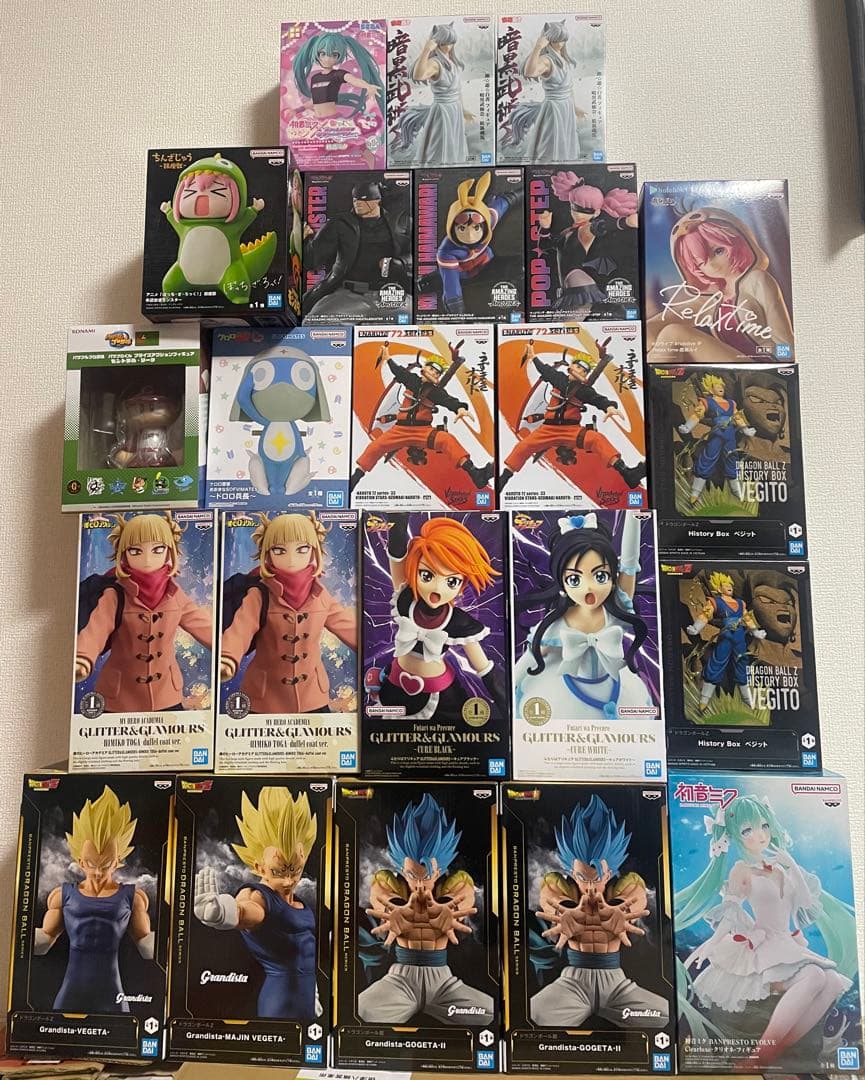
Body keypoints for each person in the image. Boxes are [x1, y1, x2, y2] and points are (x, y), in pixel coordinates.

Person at [676, 794, 856, 1069]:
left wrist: (792, 865)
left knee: (831, 981)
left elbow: (806, 905)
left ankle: (773, 1053)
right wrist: (712, 942)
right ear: (735, 836)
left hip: (788, 944)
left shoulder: (783, 868)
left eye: (764, 826)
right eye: (747, 830)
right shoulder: (742, 870)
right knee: (814, 976)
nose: (759, 835)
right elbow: (732, 909)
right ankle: (760, 1056)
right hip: (765, 948)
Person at [530, 795, 668, 1028]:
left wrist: (620, 911)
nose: (590, 886)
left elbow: (635, 894)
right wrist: (565, 913)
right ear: (571, 872)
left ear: (610, 872)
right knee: (534, 1015)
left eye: (598, 878)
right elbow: (550, 896)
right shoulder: (559, 885)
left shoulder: (625, 885)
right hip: (573, 983)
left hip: (617, 984)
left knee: (663, 1016)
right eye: (582, 877)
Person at [359, 793, 493, 1025]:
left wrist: (449, 911)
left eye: (428, 875)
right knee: (362, 1011)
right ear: (402, 868)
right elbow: (380, 896)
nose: (420, 884)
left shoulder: (456, 883)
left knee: (488, 1013)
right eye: (412, 875)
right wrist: (394, 912)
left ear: (440, 870)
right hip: (400, 980)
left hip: (443, 982)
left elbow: (464, 895)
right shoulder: (388, 883)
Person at [193, 788, 319, 1021]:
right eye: (278, 872)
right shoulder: (258, 896)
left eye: (295, 870)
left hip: (308, 1001)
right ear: (259, 867)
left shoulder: (297, 901)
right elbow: (246, 911)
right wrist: (221, 913)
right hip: (281, 1003)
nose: (289, 880)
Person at [366, 514, 505, 722]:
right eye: (427, 576)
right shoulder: (406, 600)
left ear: (462, 585)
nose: (437, 589)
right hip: (395, 685)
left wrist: (505, 706)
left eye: (451, 581)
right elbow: (397, 558)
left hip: (441, 696)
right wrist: (398, 520)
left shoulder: (458, 622)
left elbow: (484, 668)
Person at [514, 513, 652, 721]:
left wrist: (635, 513)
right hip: (562, 694)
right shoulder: (557, 624)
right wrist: (512, 682)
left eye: (600, 576)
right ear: (562, 583)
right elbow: (531, 656)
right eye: (574, 579)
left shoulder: (616, 611)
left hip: (618, 688)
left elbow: (629, 563)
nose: (589, 588)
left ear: (612, 578)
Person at [220, 512, 356, 713]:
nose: (292, 559)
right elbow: (241, 629)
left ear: (314, 551)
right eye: (279, 550)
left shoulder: (320, 594)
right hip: (265, 697)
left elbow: (346, 625)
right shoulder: (259, 593)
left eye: (302, 549)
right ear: (268, 553)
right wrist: (227, 658)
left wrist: (372, 647)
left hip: (312, 696)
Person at [75, 513, 212, 712]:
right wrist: (82, 658)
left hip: (166, 693)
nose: (147, 559)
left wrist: (227, 651)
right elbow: (96, 630)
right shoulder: (114, 594)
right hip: (120, 697)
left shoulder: (174, 594)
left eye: (158, 550)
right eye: (135, 551)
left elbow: (202, 624)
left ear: (169, 552)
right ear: (124, 554)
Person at [33, 787, 154, 1012]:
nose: (98, 871)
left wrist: (180, 945)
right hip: (72, 991)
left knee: (119, 1033)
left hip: (112, 992)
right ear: (80, 860)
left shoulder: (133, 897)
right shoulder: (61, 895)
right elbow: (44, 940)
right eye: (90, 863)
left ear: (117, 861)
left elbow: (146, 945)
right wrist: (18, 937)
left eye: (105, 864)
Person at [646, 207, 794, 361]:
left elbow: (786, 345)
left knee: (673, 333)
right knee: (668, 340)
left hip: (764, 364)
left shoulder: (758, 281)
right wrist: (648, 330)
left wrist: (779, 369)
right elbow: (674, 315)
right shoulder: (715, 297)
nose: (711, 264)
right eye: (701, 262)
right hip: (732, 368)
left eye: (718, 251)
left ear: (740, 241)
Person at [499, 342, 645, 492]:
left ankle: (627, 473)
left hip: (572, 430)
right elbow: (545, 370)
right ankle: (503, 478)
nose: (580, 371)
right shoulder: (558, 379)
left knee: (597, 439)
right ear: (571, 366)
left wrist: (609, 407)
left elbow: (598, 399)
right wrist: (533, 356)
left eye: (584, 370)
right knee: (523, 446)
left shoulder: (584, 391)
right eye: (578, 366)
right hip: (547, 429)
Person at [351, 343, 494, 493]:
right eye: (431, 369)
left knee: (447, 440)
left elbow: (449, 401)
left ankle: (476, 474)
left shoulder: (435, 392)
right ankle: (354, 479)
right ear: (424, 368)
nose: (434, 373)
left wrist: (460, 409)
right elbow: (399, 372)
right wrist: (387, 358)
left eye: (437, 373)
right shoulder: (411, 380)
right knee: (375, 447)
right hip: (400, 430)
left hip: (423, 431)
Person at [302, 179, 411, 319]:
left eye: (364, 199)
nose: (358, 203)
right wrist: (305, 240)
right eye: (355, 199)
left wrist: (401, 263)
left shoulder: (401, 223)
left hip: (391, 295)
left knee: (419, 321)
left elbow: (417, 256)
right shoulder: (340, 224)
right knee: (314, 322)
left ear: (377, 200)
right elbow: (311, 261)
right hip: (348, 295)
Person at [534, 171, 638, 317]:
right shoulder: (567, 231)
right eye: (574, 207)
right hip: (571, 287)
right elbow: (544, 246)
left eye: (585, 210)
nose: (578, 213)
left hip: (580, 288)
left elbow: (602, 226)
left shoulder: (586, 229)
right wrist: (545, 227)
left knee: (568, 325)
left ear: (596, 213)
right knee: (565, 325)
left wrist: (625, 222)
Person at [500, 21, 585, 162]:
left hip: (566, 107)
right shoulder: (546, 60)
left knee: (565, 143)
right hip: (554, 109)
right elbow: (529, 72)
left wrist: (575, 107)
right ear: (549, 40)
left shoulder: (563, 59)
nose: (561, 43)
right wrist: (538, 47)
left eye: (563, 40)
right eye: (557, 40)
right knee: (549, 145)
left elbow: (569, 89)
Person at [685, 571, 766, 713]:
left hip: (739, 640)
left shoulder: (740, 603)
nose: (729, 587)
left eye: (731, 585)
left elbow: (747, 619)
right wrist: (696, 628)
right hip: (725, 639)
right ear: (718, 587)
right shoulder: (715, 602)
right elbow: (705, 615)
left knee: (742, 665)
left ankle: (748, 700)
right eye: (725, 584)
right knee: (716, 665)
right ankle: (704, 700)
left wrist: (755, 631)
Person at [394, 23, 471, 165]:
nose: (448, 47)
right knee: (438, 148)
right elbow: (418, 75)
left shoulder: (451, 62)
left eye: (451, 43)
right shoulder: (435, 63)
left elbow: (457, 90)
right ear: (437, 43)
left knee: (454, 147)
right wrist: (426, 50)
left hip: (455, 110)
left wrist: (463, 110)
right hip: (442, 111)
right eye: (444, 43)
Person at [677, 373, 756, 506]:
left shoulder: (731, 403)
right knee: (707, 460)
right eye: (717, 385)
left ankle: (737, 492)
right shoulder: (707, 402)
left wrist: (745, 429)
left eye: (721, 386)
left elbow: (737, 418)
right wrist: (688, 426)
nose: (720, 388)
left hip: (730, 437)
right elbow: (697, 414)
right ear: (710, 388)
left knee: (732, 460)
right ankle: (695, 492)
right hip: (716, 436)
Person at [292, 30, 383, 120]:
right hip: (317, 121)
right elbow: (314, 101)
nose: (327, 59)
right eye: (322, 54)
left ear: (339, 56)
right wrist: (296, 110)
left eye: (334, 55)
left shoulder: (337, 74)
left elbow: (354, 80)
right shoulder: (315, 78)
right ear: (317, 54)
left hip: (333, 120)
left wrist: (367, 86)